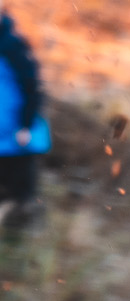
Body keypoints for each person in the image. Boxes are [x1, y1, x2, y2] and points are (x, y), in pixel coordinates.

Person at [0, 9, 45, 233]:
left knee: (19, 196)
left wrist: (25, 126)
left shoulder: (13, 46)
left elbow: (33, 88)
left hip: (17, 137)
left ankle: (18, 236)